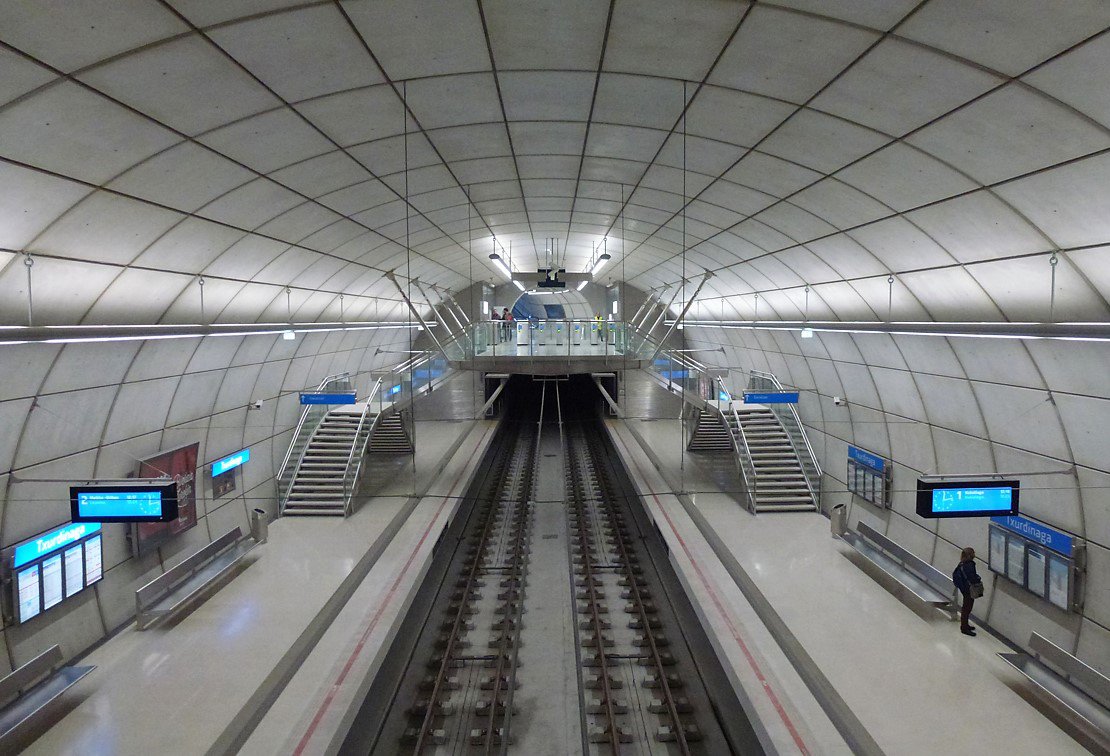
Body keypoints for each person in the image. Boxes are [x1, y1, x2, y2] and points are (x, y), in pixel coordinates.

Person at [952, 547, 983, 636]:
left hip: (964, 588)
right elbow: (972, 577)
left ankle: (965, 625)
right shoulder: (969, 564)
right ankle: (964, 628)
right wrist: (977, 579)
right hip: (968, 589)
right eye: (973, 553)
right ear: (970, 554)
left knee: (966, 607)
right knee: (967, 608)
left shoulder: (962, 563)